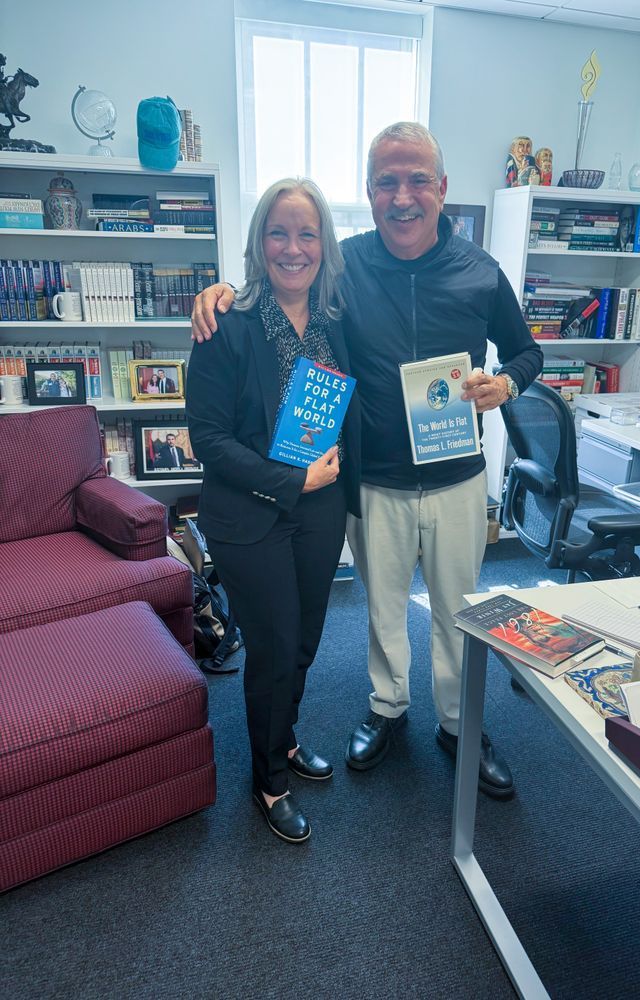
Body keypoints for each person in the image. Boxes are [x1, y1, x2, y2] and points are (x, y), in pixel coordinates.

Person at [191, 122, 542, 801]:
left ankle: (460, 724)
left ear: (442, 188)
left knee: (460, 612)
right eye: (387, 182)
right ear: (371, 192)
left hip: (458, 477)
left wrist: (508, 384)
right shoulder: (343, 266)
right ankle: (387, 709)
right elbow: (283, 276)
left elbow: (528, 351)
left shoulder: (481, 271)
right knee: (382, 611)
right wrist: (221, 292)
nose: (402, 196)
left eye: (417, 180)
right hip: (373, 481)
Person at [186, 177, 361, 844]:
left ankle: (282, 738)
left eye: (307, 234)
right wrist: (293, 480)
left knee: (306, 638)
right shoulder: (225, 324)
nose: (293, 248)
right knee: (274, 646)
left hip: (321, 510)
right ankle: (269, 781)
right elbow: (209, 441)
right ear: (260, 243)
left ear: (325, 245)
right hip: (250, 515)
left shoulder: (336, 323)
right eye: (278, 233)